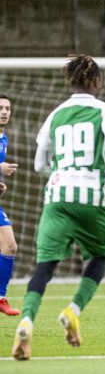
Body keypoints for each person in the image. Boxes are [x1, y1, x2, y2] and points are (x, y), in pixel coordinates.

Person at [12, 54, 105, 361]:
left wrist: (62, 170)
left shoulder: (55, 114)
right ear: (96, 82)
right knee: (101, 255)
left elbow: (40, 164)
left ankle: (26, 321)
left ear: (71, 81)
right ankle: (73, 309)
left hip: (57, 196)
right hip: (90, 196)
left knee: (44, 267)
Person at [0, 94, 20, 316]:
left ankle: (0, 297)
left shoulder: (3, 138)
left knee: (9, 245)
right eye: (0, 108)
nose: (4, 112)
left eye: (7, 108)